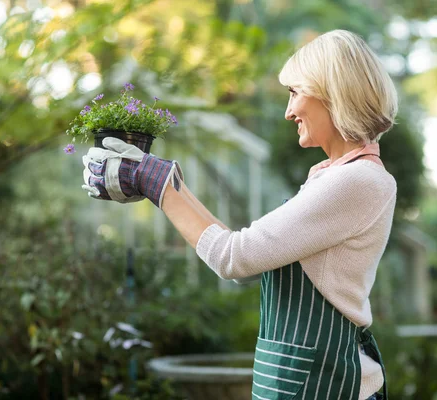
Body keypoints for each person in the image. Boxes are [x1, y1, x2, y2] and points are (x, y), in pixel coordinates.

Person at [82, 29, 397, 400]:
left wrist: (157, 183)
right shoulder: (334, 176)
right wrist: (162, 178)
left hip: (327, 387)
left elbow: (235, 257)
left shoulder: (356, 180)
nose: (288, 111)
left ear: (331, 91)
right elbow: (245, 255)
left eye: (295, 92)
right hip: (306, 383)